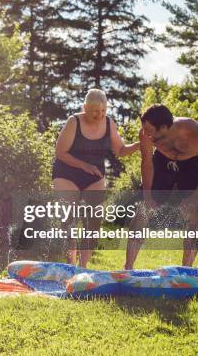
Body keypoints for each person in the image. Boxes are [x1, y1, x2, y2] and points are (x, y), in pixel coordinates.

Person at [53, 89, 140, 267]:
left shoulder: (109, 124)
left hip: (94, 175)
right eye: (94, 111)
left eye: (103, 111)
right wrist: (84, 165)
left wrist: (140, 144)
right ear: (84, 107)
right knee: (69, 219)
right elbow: (60, 153)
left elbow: (121, 150)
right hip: (67, 172)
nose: (99, 115)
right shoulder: (73, 122)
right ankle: (70, 266)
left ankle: (83, 268)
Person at [124, 104, 198, 270]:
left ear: (164, 128)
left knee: (196, 216)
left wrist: (194, 198)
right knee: (142, 210)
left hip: (190, 167)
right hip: (161, 163)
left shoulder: (193, 133)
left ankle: (186, 270)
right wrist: (147, 196)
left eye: (149, 130)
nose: (145, 134)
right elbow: (147, 164)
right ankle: (128, 267)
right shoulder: (145, 135)